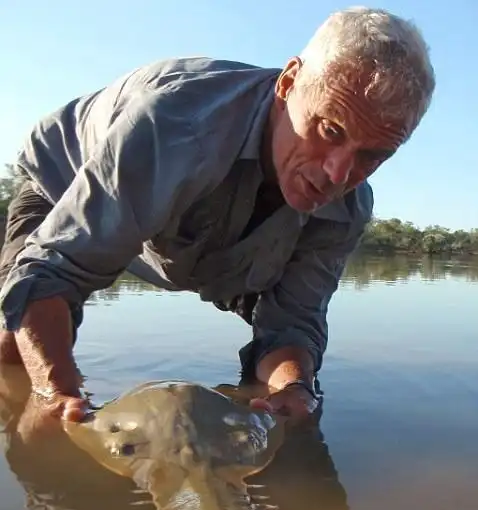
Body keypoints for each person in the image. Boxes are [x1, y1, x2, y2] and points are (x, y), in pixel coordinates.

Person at [0, 7, 435, 427]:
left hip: (211, 249)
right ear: (289, 83)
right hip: (66, 188)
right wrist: (56, 398)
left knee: (284, 401)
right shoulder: (176, 126)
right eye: (330, 131)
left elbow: (291, 324)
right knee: (18, 352)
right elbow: (50, 274)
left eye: (373, 154)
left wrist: (294, 391)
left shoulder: (347, 206)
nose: (338, 174)